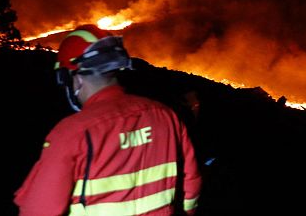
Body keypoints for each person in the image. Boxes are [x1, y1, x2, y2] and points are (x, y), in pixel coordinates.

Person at [14, 25, 202, 216]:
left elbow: (38, 209)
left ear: (76, 79)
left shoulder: (72, 132)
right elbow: (191, 185)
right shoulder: (166, 116)